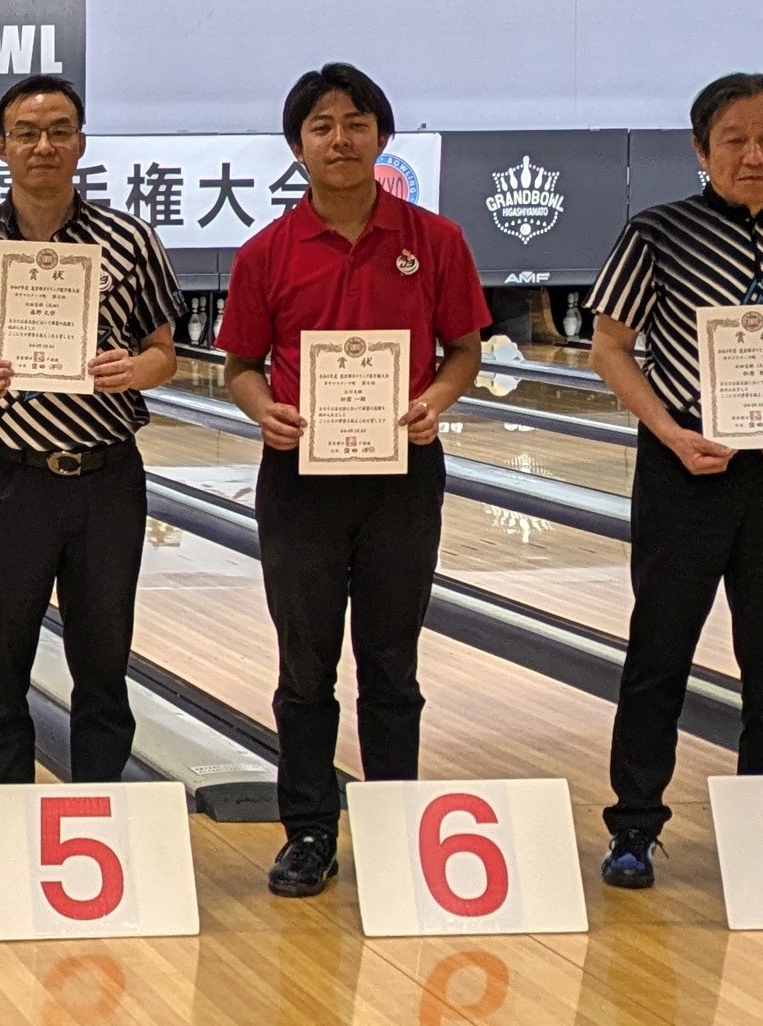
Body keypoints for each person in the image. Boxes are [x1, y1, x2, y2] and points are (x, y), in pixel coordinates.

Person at [583, 73, 763, 889]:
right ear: (701, 148)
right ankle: (634, 823)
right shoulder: (657, 232)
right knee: (659, 651)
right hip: (686, 468)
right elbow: (610, 346)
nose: (754, 154)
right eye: (735, 139)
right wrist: (671, 433)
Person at [215, 63, 487, 899]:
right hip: (301, 474)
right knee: (305, 667)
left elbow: (464, 351)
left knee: (391, 663)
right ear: (298, 145)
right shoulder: (266, 252)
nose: (341, 138)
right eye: (323, 125)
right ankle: (308, 829)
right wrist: (264, 409)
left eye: (357, 123)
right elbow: (240, 366)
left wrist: (435, 400)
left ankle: (397, 824)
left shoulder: (435, 240)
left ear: (382, 137)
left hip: (402, 473)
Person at [0, 74, 183, 787]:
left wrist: (136, 369)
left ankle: (101, 815)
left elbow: (164, 352)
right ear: (1, 147)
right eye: (27, 133)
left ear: (81, 143)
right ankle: (8, 821)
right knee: (1, 666)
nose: (43, 145)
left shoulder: (130, 241)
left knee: (104, 664)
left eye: (59, 131)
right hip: (8, 480)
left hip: (106, 478)